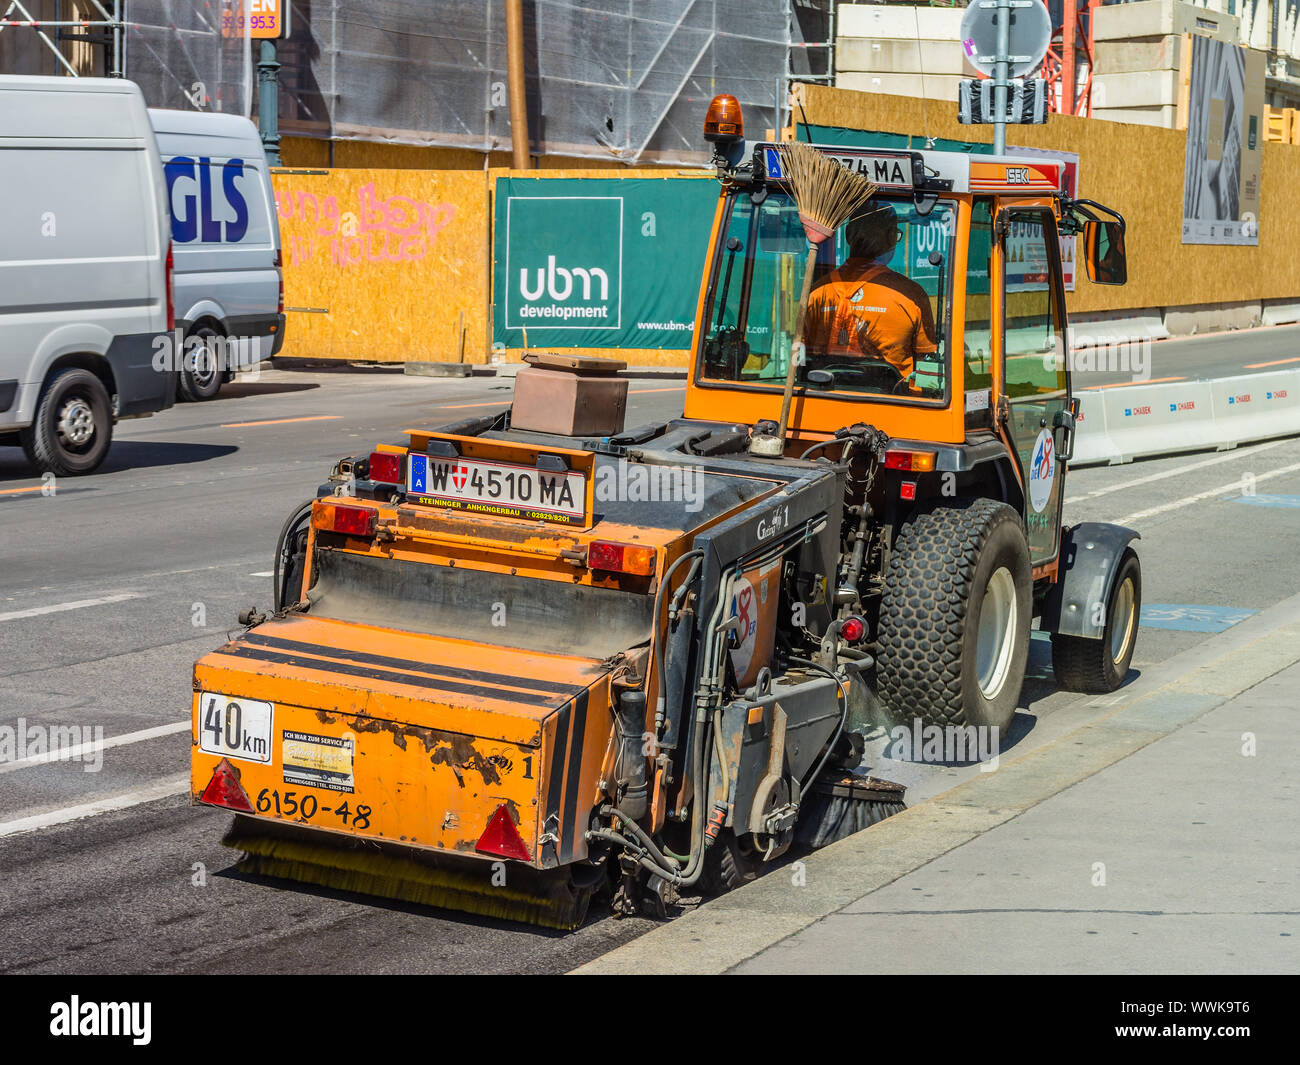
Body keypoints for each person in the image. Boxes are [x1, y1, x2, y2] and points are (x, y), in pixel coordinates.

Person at [803, 204, 937, 386]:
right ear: (891, 237)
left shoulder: (817, 292)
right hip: (897, 407)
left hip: (821, 401)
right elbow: (926, 369)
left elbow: (801, 356)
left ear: (848, 235)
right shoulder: (910, 296)